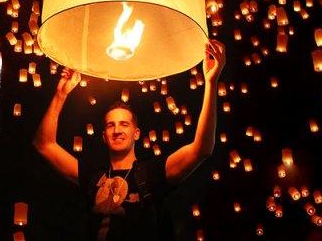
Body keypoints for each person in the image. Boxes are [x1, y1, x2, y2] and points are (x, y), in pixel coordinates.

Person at [33, 40, 226, 240]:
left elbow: (202, 149)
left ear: (136, 133)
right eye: (111, 125)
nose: (117, 130)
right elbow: (44, 144)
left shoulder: (152, 173)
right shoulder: (92, 177)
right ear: (104, 136)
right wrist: (60, 94)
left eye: (124, 124)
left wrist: (211, 83)